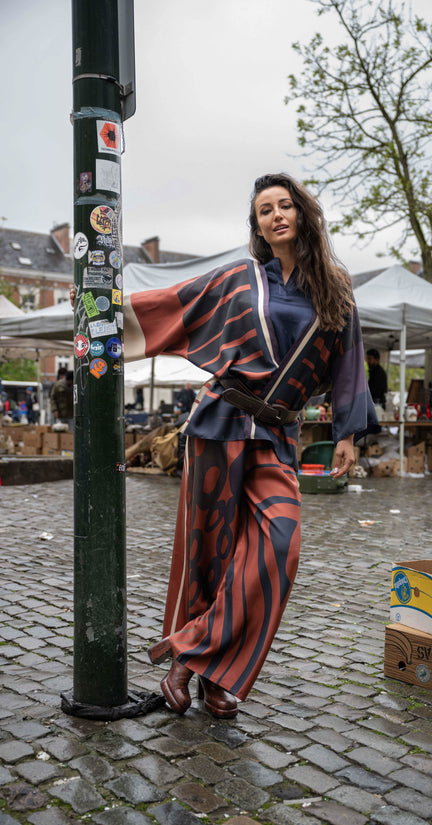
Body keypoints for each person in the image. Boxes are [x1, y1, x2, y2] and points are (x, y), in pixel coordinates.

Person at [73, 172, 377, 718]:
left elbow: (350, 362)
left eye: (286, 205)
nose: (277, 215)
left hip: (279, 434)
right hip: (219, 423)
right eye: (265, 210)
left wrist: (347, 434)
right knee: (209, 555)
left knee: (278, 549)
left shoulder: (336, 286)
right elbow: (175, 305)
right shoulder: (240, 277)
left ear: (304, 214)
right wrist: (99, 314)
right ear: (257, 224)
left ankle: (187, 657)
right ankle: (217, 678)